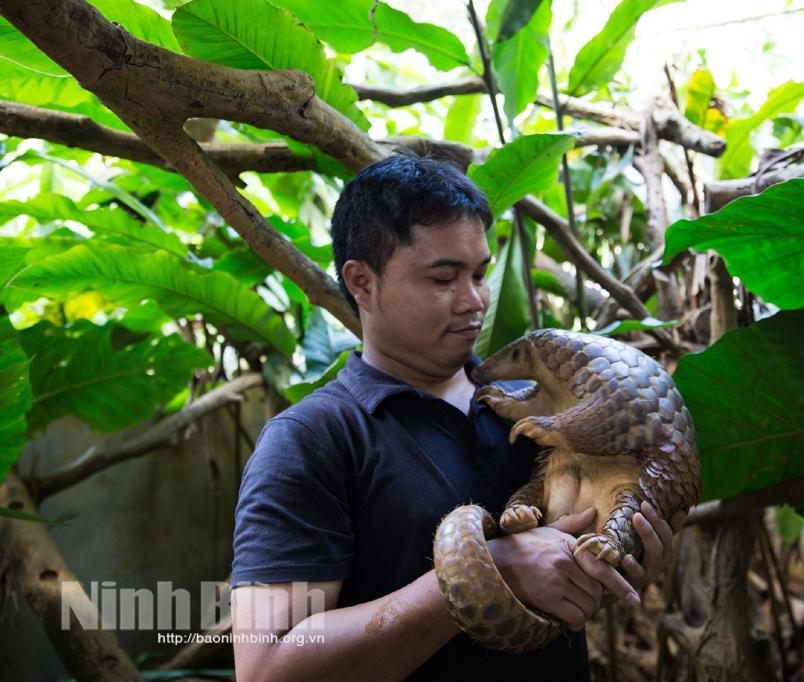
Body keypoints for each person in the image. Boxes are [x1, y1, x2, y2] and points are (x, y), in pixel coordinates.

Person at [229, 154, 682, 681]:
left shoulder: (538, 406)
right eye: (444, 278)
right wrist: (486, 574)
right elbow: (266, 667)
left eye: (481, 274)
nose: (474, 301)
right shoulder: (313, 439)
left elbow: (565, 568)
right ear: (362, 283)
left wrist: (613, 564)